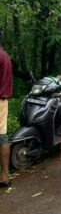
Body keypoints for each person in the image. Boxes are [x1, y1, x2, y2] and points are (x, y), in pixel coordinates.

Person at [0, 44, 13, 187]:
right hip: (3, 101)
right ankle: (5, 174)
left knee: (1, 137)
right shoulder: (5, 55)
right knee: (1, 135)